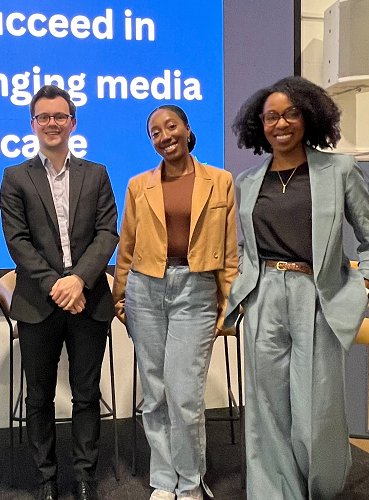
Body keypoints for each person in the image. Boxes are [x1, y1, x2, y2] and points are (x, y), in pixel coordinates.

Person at [223, 76, 369, 499]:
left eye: (290, 113)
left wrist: (365, 282)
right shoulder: (247, 181)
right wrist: (243, 286)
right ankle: (274, 492)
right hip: (263, 296)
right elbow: (247, 245)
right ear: (259, 125)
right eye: (270, 116)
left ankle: (321, 488)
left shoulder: (340, 170)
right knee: (266, 409)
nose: (281, 123)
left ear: (309, 116)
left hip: (316, 294)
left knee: (317, 407)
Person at [0, 85, 119, 500]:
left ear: (72, 122)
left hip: (89, 300)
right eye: (43, 117)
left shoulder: (97, 173)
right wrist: (57, 284)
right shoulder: (15, 177)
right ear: (33, 124)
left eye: (59, 116)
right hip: (38, 303)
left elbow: (108, 233)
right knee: (39, 397)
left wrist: (79, 280)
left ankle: (85, 476)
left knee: (87, 394)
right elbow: (16, 240)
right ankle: (46, 478)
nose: (52, 123)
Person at [113, 105, 238, 500]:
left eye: (170, 126)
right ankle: (164, 480)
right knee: (155, 394)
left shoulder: (220, 181)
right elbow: (127, 246)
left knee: (184, 395)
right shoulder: (138, 185)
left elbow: (229, 250)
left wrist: (227, 303)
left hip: (196, 290)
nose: (164, 135)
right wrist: (120, 298)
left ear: (186, 130)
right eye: (154, 132)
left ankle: (190, 481)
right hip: (144, 290)